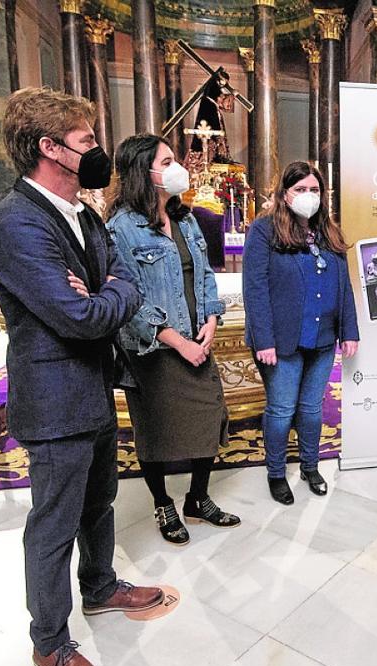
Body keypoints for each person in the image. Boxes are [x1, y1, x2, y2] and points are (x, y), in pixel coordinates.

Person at [0, 87, 163, 666]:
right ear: (49, 149)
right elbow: (76, 318)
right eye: (86, 142)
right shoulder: (13, 222)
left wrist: (104, 290)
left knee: (100, 501)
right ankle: (50, 642)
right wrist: (103, 296)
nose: (97, 152)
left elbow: (127, 279)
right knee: (54, 523)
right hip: (55, 397)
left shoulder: (85, 213)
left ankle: (101, 586)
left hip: (95, 385)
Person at [106, 134, 240, 545]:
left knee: (208, 418)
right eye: (167, 161)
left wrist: (212, 320)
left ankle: (197, 498)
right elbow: (130, 298)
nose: (176, 166)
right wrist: (178, 342)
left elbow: (203, 274)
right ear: (142, 172)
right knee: (156, 431)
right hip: (153, 348)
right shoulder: (120, 228)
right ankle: (163, 503)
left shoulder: (187, 219)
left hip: (198, 339)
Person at [243, 161, 360, 505]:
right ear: (284, 194)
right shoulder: (264, 232)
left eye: (314, 190)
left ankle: (311, 466)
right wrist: (263, 340)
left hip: (323, 339)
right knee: (281, 409)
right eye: (300, 190)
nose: (309, 196)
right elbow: (255, 288)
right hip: (282, 342)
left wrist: (348, 330)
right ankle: (276, 473)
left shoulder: (329, 234)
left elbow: (345, 286)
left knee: (311, 408)